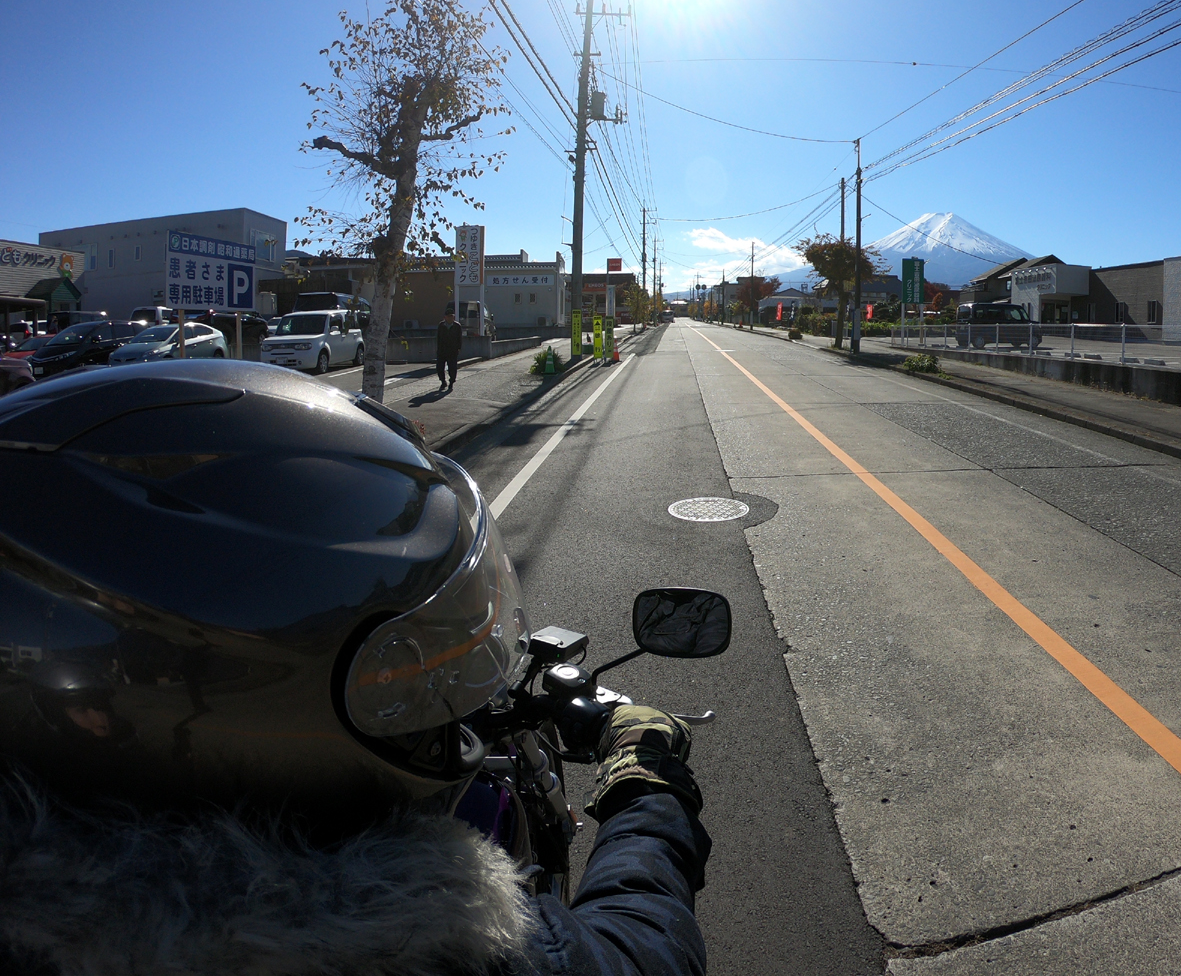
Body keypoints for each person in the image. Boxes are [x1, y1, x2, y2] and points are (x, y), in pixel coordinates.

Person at [0, 360, 712, 975]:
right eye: (406, 667)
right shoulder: (431, 940)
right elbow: (640, 947)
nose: (447, 694)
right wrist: (648, 784)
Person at [436, 304, 463, 390]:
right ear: (445, 317)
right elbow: (438, 338)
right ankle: (443, 381)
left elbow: (459, 338)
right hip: (442, 350)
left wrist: (459, 348)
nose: (450, 318)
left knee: (452, 367)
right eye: (448, 316)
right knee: (439, 367)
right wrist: (438, 348)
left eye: (452, 316)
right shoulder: (441, 326)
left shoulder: (457, 326)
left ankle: (452, 381)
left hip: (452, 350)